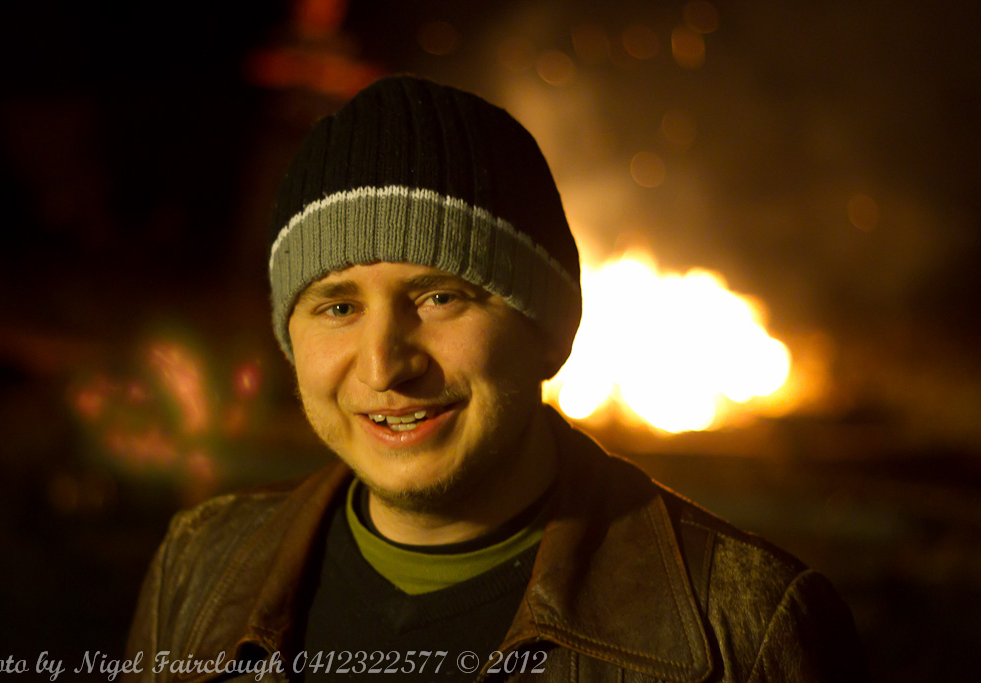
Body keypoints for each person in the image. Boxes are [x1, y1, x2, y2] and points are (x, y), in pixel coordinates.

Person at [123, 75, 867, 682]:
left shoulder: (743, 630)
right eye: (338, 307)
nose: (384, 366)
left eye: (440, 297)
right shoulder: (200, 568)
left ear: (547, 328)